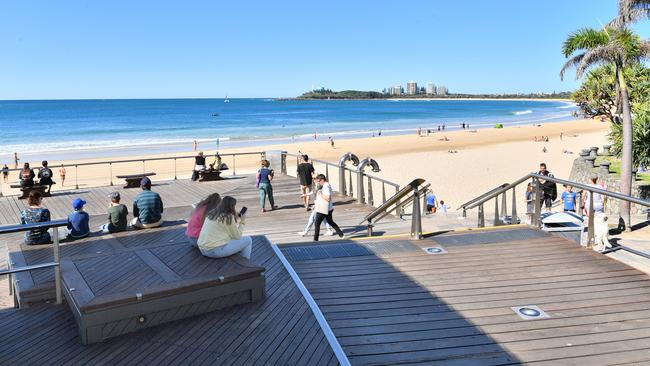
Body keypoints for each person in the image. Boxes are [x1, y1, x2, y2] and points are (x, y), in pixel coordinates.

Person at [313, 174, 345, 241]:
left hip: (324, 209)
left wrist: (320, 193)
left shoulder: (326, 186)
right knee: (330, 222)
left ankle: (315, 240)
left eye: (319, 181)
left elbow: (328, 198)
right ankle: (341, 234)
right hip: (329, 208)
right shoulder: (326, 185)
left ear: (322, 180)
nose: (318, 182)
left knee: (317, 223)